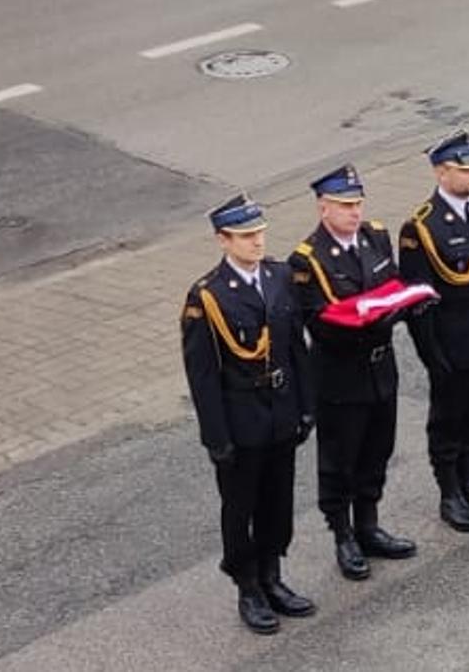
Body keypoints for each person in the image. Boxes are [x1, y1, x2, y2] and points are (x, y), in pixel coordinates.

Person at [181, 194, 315, 635]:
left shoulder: (279, 276)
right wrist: (216, 438)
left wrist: (306, 406)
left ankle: (272, 575)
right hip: (242, 420)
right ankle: (248, 586)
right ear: (223, 240)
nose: (257, 242)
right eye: (245, 236)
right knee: (241, 507)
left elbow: (296, 347)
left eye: (259, 233)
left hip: (281, 411)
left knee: (278, 500)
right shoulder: (208, 297)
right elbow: (203, 376)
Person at [288, 166, 417, 581]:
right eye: (345, 205)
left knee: (377, 450)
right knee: (340, 460)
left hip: (381, 368)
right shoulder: (307, 260)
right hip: (341, 375)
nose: (354, 212)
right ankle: (343, 535)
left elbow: (392, 284)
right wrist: (376, 319)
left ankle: (368, 525)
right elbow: (319, 324)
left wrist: (399, 308)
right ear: (323, 208)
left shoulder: (374, 237)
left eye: (357, 203)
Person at [397, 133, 469, 534]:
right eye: (467, 170)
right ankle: (450, 491)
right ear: (442, 172)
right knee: (449, 417)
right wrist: (432, 354)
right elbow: (418, 300)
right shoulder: (421, 227)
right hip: (454, 340)